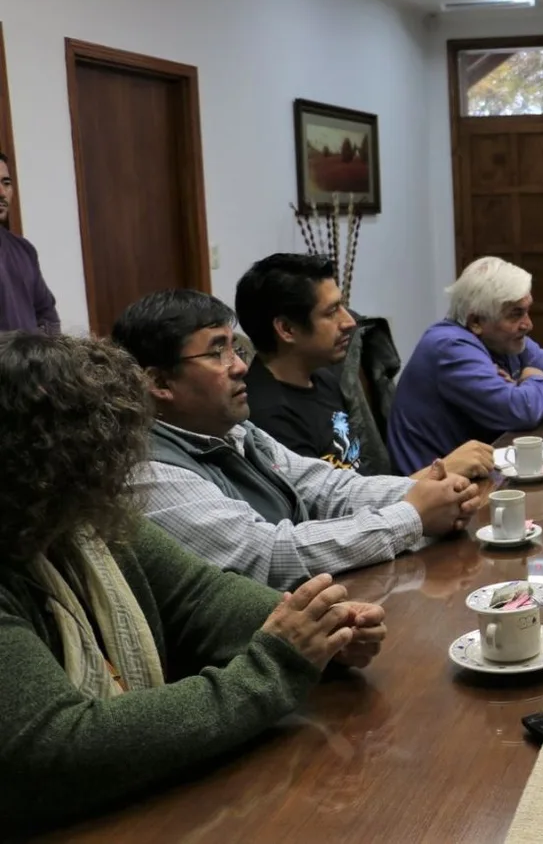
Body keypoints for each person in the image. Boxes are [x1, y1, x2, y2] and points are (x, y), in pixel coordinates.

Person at [0, 332, 388, 833]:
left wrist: (321, 630)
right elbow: (54, 748)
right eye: (96, 456)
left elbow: (199, 597)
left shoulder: (74, 517)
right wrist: (276, 664)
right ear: (36, 465)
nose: (114, 471)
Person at [111, 290, 481, 591]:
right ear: (158, 383)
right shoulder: (150, 472)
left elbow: (329, 488)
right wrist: (411, 515)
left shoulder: (236, 432)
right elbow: (269, 556)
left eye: (234, 349)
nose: (239, 365)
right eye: (216, 352)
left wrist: (437, 494)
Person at [234, 253, 493, 478]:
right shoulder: (267, 416)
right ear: (287, 329)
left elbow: (365, 486)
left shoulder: (323, 378)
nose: (349, 322)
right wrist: (442, 469)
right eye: (331, 311)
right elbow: (330, 517)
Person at [387, 257, 543, 475]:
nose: (528, 324)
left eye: (527, 311)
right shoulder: (450, 346)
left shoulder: (508, 340)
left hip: (476, 472)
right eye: (516, 314)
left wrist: (524, 392)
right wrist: (535, 379)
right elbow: (521, 411)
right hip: (432, 487)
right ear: (476, 322)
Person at [0, 152, 61, 335]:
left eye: (6, 183)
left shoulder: (24, 250)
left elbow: (46, 313)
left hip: (31, 362)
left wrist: (41, 356)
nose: (2, 193)